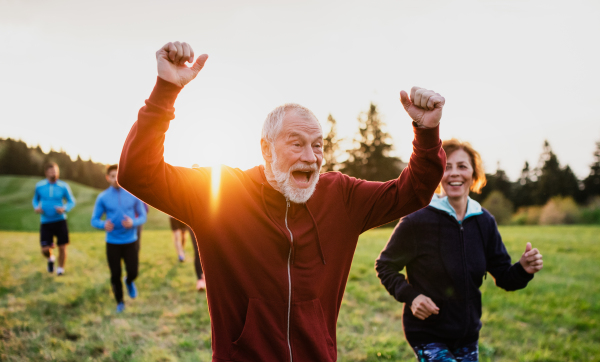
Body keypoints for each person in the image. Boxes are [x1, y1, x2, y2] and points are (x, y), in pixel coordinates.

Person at [118, 41, 446, 361]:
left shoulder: (341, 196)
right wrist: (166, 90)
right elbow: (138, 173)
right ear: (266, 149)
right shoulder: (219, 193)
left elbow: (414, 191)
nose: (310, 157)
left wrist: (426, 132)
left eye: (318, 145)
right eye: (296, 143)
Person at [375, 139, 544, 362]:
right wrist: (412, 296)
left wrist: (524, 269)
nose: (455, 173)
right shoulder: (417, 220)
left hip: (467, 335)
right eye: (446, 167)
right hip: (427, 334)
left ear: (474, 174)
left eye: (462, 166)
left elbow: (504, 277)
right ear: (437, 174)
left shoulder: (485, 222)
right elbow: (385, 265)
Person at [91, 164, 147, 313]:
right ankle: (120, 302)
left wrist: (133, 222)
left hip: (130, 241)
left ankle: (129, 281)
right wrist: (103, 225)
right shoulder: (103, 197)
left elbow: (143, 216)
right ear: (107, 178)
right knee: (115, 274)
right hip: (112, 242)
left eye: (118, 175)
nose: (115, 179)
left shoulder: (133, 194)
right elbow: (94, 220)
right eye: (112, 176)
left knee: (133, 272)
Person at [32, 162, 76, 276]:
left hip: (60, 221)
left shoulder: (63, 186)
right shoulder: (39, 186)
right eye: (52, 171)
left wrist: (64, 208)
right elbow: (35, 200)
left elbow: (71, 201)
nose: (54, 173)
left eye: (56, 171)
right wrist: (36, 207)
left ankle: (60, 269)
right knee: (45, 249)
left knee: (62, 247)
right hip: (46, 221)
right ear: (46, 173)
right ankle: (51, 258)